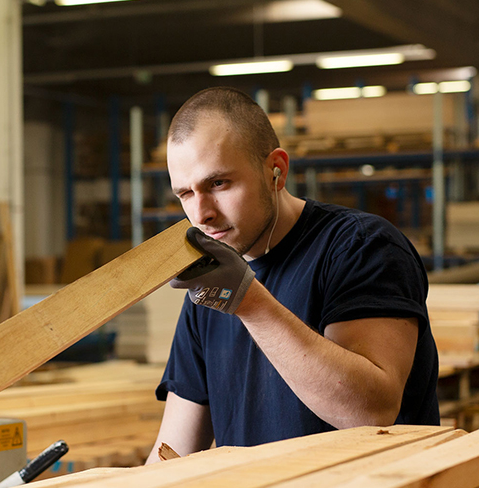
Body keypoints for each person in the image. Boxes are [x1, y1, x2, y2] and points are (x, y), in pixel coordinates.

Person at [146, 87, 439, 462]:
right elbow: (173, 452)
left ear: (276, 171)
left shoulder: (361, 246)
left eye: (218, 184)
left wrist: (247, 300)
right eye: (185, 193)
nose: (201, 213)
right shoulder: (211, 287)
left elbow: (370, 413)